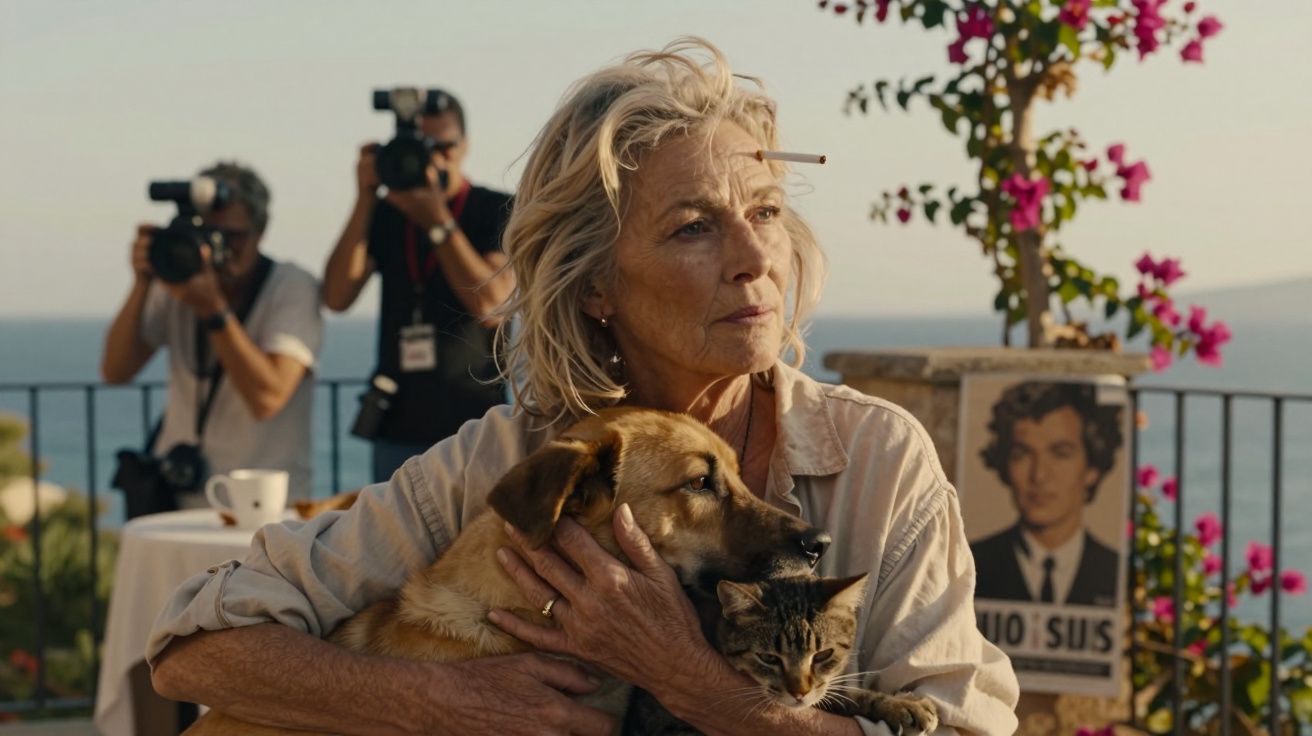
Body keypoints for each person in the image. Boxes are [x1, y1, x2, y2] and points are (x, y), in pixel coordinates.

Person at [147, 39, 1019, 734]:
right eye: (694, 227)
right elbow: (195, 647)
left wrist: (692, 680)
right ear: (595, 283)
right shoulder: (508, 461)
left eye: (764, 212)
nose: (757, 256)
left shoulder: (876, 460)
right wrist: (442, 702)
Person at [322, 89, 515, 483]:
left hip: (474, 426)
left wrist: (437, 221)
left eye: (442, 147)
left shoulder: (495, 209)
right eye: (422, 149)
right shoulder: (387, 214)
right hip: (398, 424)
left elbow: (493, 305)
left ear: (465, 145)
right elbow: (337, 297)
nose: (433, 160)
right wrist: (364, 199)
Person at [102, 162, 323, 501]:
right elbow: (116, 370)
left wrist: (213, 310)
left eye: (231, 236)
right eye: (204, 234)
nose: (213, 249)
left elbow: (267, 399)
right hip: (182, 498)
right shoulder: (177, 286)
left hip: (266, 504)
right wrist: (142, 283)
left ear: (260, 231)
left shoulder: (292, 287)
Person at [971, 381, 1123, 607]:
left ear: (1092, 468)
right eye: (1022, 454)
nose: (1039, 475)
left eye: (1061, 453)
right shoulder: (970, 563)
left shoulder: (1115, 571)